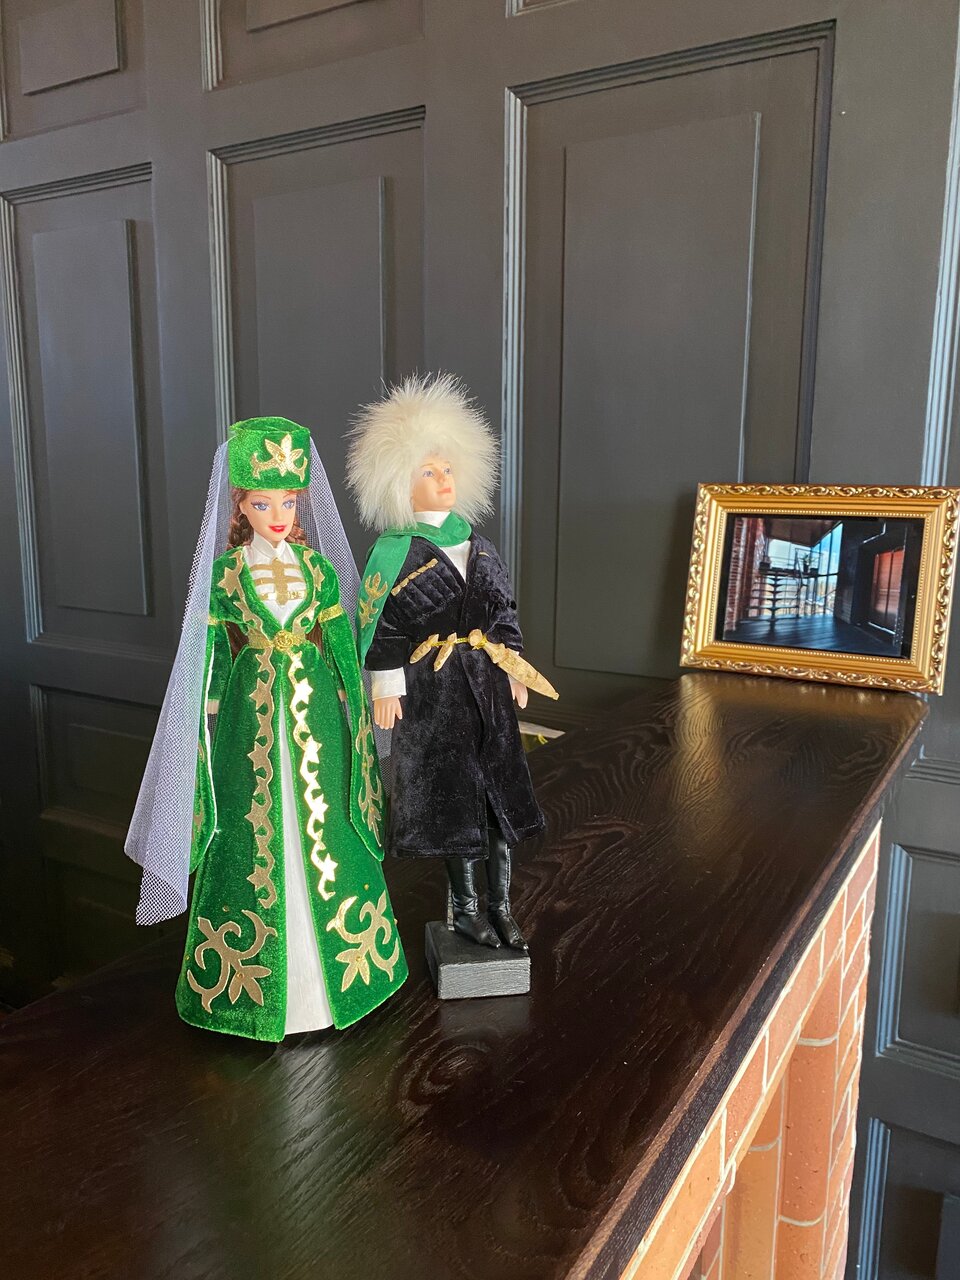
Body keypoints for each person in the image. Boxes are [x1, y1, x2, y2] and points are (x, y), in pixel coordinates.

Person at [126, 417, 406, 1041]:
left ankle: (340, 981)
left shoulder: (319, 571)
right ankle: (253, 991)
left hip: (319, 719)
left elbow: (341, 646)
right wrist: (203, 719)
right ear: (240, 506)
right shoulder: (226, 576)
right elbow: (210, 658)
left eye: (287, 502)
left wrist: (361, 710)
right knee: (254, 826)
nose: (277, 515)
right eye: (262, 503)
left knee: (324, 821)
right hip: (248, 720)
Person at [345, 375, 556, 956]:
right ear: (399, 482)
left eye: (447, 469)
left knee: (497, 800)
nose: (443, 480)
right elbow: (382, 622)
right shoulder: (394, 552)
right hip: (433, 696)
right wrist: (385, 684)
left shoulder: (478, 544)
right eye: (428, 471)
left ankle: (502, 905)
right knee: (454, 801)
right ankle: (465, 911)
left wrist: (512, 665)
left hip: (487, 689)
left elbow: (502, 610)